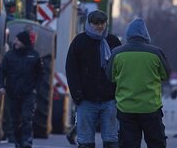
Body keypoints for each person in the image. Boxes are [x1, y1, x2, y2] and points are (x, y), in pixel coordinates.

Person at [108, 18, 171, 148]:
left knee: (128, 145)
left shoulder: (117, 53)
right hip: (150, 108)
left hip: (126, 108)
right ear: (146, 34)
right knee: (156, 143)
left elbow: (110, 77)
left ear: (128, 34)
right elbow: (166, 74)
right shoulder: (155, 52)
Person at [65, 10, 123, 148]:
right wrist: (77, 94)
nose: (100, 26)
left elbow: (121, 69)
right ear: (89, 24)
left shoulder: (113, 41)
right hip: (85, 100)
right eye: (96, 23)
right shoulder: (79, 42)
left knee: (112, 140)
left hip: (110, 100)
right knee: (85, 142)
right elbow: (71, 69)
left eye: (102, 23)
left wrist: (118, 94)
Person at [0, 29, 44, 148]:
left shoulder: (34, 56)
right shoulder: (9, 56)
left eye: (18, 40)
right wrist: (1, 86)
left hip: (28, 93)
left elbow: (40, 74)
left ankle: (27, 141)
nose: (15, 42)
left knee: (26, 118)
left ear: (24, 42)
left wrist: (36, 89)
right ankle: (19, 142)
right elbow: (2, 72)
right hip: (12, 93)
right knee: (15, 121)